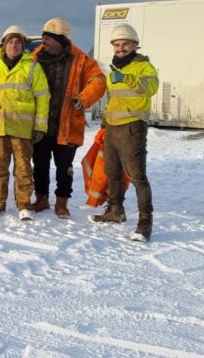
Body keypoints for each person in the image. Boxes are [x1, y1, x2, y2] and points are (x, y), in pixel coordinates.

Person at [30, 17, 106, 218]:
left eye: (49, 38)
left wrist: (84, 98)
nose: (44, 42)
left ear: (62, 40)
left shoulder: (81, 60)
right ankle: (41, 198)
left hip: (68, 123)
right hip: (40, 123)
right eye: (43, 37)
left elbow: (98, 80)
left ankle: (62, 203)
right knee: (40, 163)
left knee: (65, 168)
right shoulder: (34, 58)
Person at [90, 24, 158, 242]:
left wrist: (127, 79)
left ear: (135, 45)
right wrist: (104, 122)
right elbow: (114, 99)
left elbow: (151, 88)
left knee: (137, 176)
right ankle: (116, 210)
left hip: (132, 127)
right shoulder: (113, 71)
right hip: (113, 127)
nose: (120, 48)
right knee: (113, 171)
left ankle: (145, 223)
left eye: (125, 44)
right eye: (117, 45)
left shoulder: (144, 67)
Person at [0, 26, 50, 220]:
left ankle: (24, 204)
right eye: (10, 41)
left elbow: (43, 98)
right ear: (4, 44)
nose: (14, 45)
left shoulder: (32, 67)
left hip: (23, 129)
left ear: (23, 46)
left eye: (18, 42)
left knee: (23, 170)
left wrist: (40, 127)